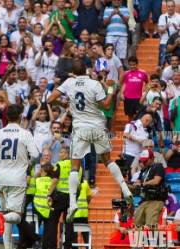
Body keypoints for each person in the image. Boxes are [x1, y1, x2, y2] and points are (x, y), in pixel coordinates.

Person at [47, 60, 133, 223]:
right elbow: (107, 105)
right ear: (86, 70)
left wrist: (64, 104)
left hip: (80, 128)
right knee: (107, 161)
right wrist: (109, 87)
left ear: (73, 72)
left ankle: (73, 203)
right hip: (97, 125)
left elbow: (50, 99)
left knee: (74, 166)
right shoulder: (94, 84)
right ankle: (124, 188)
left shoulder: (69, 83)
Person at [0, 104, 39, 249]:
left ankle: (7, 248)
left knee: (5, 211)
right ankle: (4, 218)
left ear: (7, 117)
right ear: (20, 116)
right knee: (16, 216)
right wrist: (29, 165)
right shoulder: (25, 134)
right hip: (18, 177)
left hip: (1, 176)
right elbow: (35, 155)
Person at [130, 150, 167, 249]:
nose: (143, 163)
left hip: (156, 199)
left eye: (145, 161)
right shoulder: (143, 170)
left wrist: (142, 184)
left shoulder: (158, 167)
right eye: (142, 161)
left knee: (151, 223)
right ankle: (137, 246)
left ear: (151, 159)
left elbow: (156, 181)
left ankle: (163, 244)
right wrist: (134, 184)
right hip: (145, 199)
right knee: (137, 221)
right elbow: (138, 181)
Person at [46, 147, 81, 249]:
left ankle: (52, 247)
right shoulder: (77, 166)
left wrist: (49, 195)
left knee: (52, 222)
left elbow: (55, 181)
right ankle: (68, 247)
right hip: (71, 198)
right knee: (69, 223)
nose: (59, 154)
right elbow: (79, 184)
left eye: (61, 152)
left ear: (67, 154)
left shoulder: (59, 165)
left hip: (59, 198)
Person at [33, 163, 53, 249]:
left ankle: (35, 245)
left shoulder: (37, 181)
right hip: (49, 209)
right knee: (47, 232)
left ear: (44, 172)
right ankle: (45, 247)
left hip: (37, 208)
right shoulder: (54, 182)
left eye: (41, 171)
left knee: (33, 229)